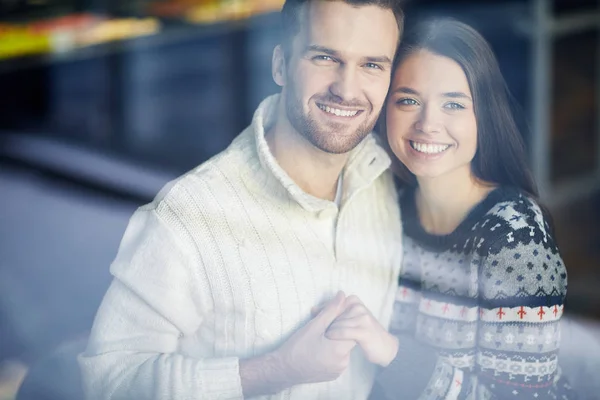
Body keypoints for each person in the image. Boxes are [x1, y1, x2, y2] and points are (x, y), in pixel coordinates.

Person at [77, 0, 405, 399]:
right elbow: (108, 383)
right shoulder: (188, 215)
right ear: (280, 65)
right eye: (324, 57)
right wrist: (274, 370)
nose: (347, 89)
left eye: (372, 65)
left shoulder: (383, 181)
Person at [322, 18, 577, 399]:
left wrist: (392, 352)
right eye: (408, 100)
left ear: (484, 115)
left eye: (453, 104)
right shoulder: (387, 205)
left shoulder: (516, 238)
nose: (428, 124)